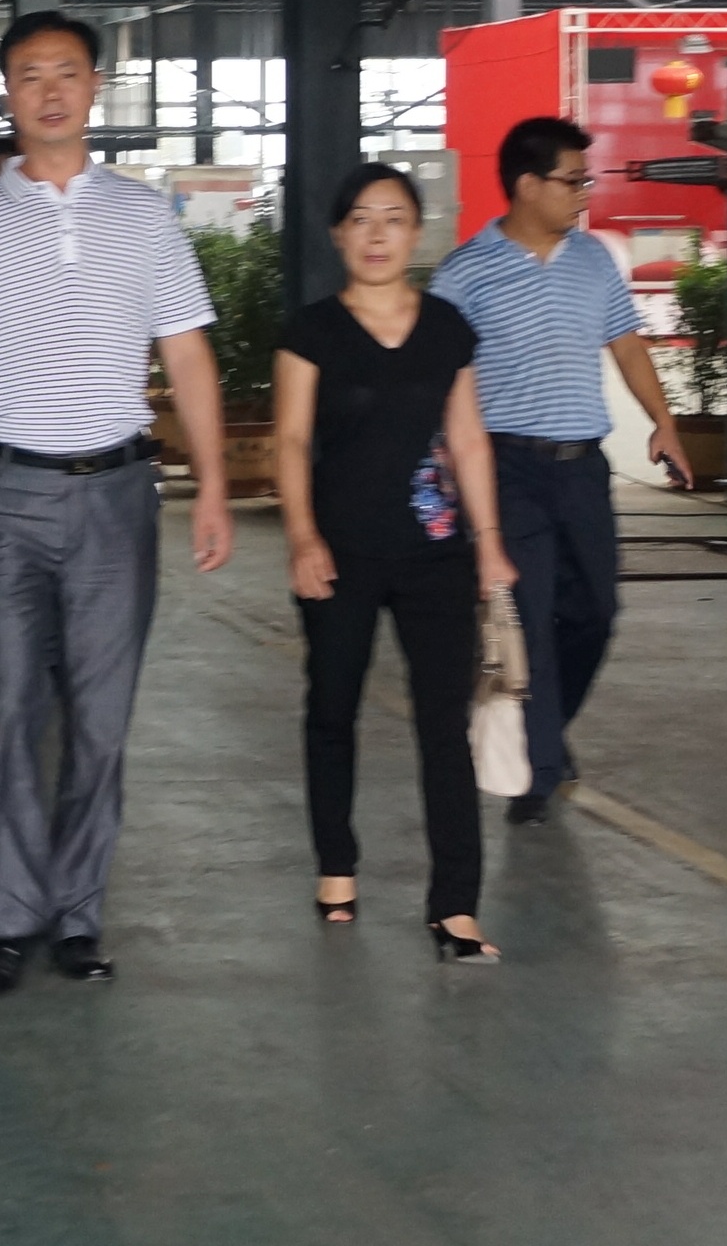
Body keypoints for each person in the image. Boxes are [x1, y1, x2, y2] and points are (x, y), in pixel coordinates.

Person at [0, 10, 231, 999]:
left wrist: (214, 486)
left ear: (93, 89)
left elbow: (188, 357)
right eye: (30, 74)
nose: (50, 91)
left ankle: (77, 916)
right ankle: (9, 919)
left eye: (67, 73)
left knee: (101, 717)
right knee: (5, 711)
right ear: (8, 93)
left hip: (117, 496)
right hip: (4, 494)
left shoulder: (144, 218)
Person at [275, 164, 513, 965]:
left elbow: (468, 440)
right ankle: (335, 865)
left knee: (444, 726)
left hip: (435, 554)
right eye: (361, 219)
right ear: (338, 234)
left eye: (394, 219)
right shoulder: (312, 330)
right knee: (331, 708)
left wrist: (488, 542)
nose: (376, 235)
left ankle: (455, 906)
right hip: (338, 552)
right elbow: (291, 441)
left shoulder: (447, 328)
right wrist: (301, 537)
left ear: (416, 233)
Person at [432, 115, 690, 827]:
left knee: (595, 614)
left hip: (582, 469)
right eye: (573, 181)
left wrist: (663, 422)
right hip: (507, 470)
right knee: (530, 622)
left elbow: (627, 344)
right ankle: (537, 772)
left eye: (585, 180)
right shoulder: (465, 273)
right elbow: (439, 377)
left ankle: (547, 734)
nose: (584, 193)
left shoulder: (593, 261)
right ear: (526, 185)